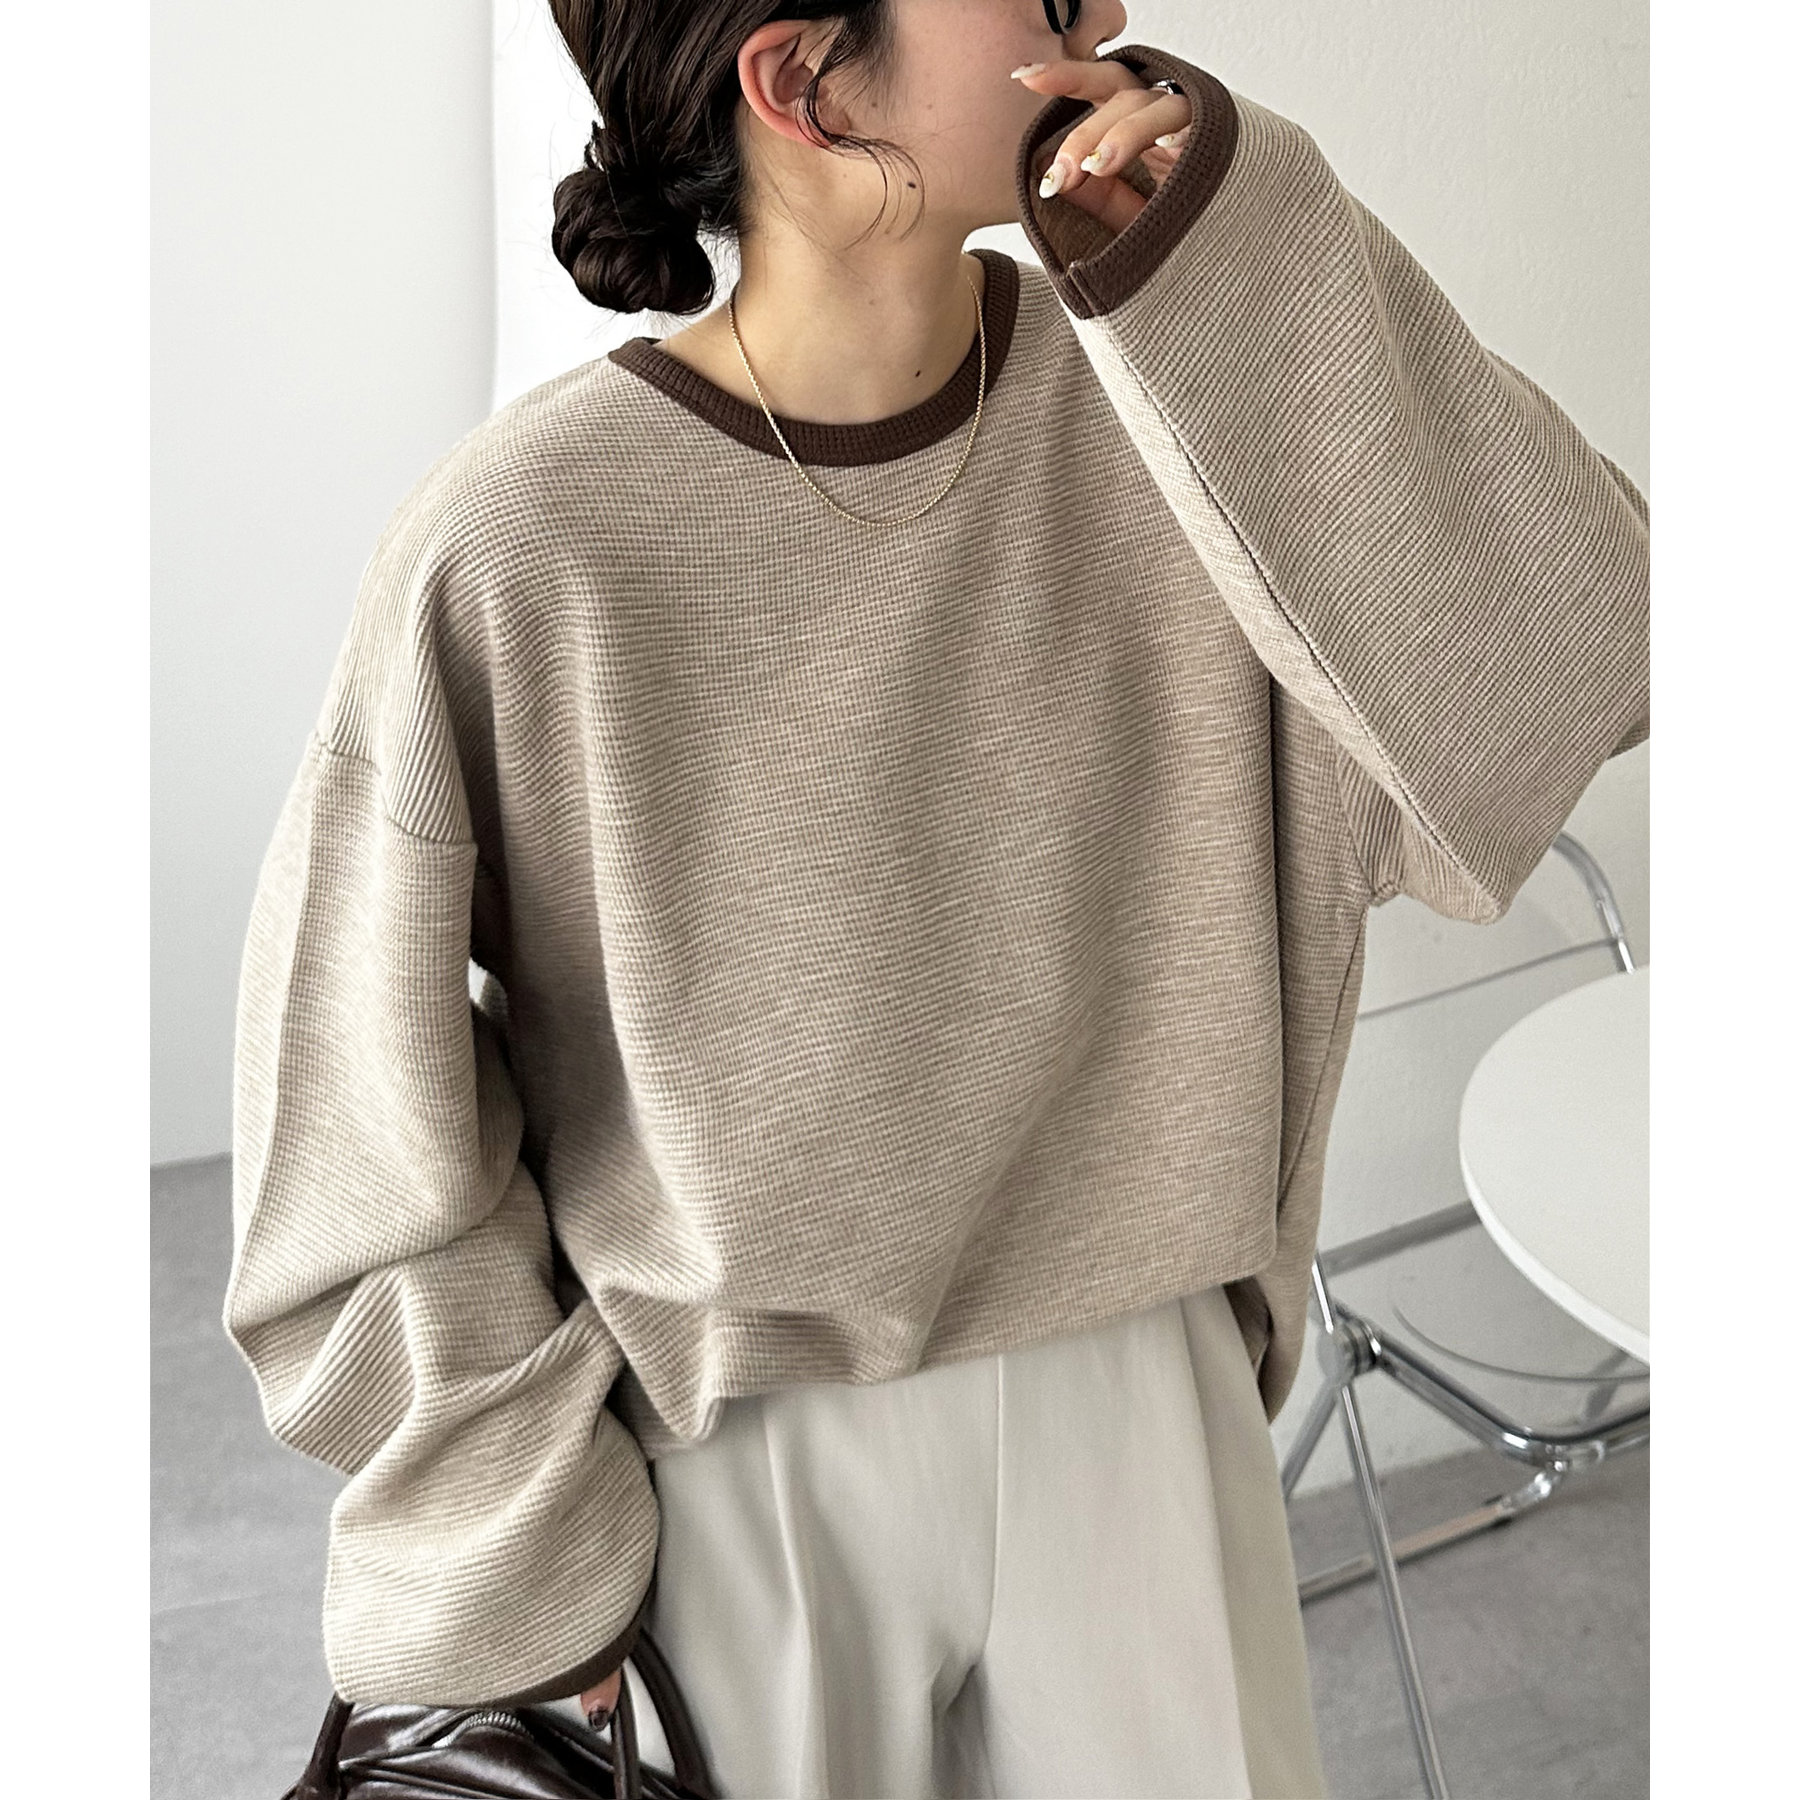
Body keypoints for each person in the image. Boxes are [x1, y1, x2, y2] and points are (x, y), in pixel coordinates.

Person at [223, 2, 1650, 1795]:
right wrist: (516, 1538)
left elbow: (1592, 663)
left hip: (1147, 1403)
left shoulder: (1187, 402)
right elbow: (347, 1141)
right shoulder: (525, 540)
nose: (1108, 18)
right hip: (733, 1482)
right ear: (802, 81)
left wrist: (1265, 266)